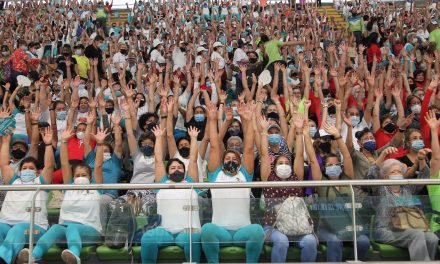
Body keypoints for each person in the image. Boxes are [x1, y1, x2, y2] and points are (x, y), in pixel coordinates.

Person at [20, 127, 107, 263]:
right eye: (77, 175)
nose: (80, 177)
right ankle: (33, 255)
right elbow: (65, 164)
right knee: (55, 228)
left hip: (90, 231)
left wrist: (100, 144)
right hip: (65, 230)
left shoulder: (95, 188)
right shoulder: (69, 187)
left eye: (83, 175)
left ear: (90, 178)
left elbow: (98, 166)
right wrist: (64, 142)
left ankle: (74, 255)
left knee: (72, 227)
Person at [201, 102, 264, 263]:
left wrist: (248, 121)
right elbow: (214, 147)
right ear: (222, 162)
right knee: (207, 229)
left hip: (243, 230)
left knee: (257, 230)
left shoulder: (245, 174)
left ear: (240, 161)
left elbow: (249, 148)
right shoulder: (216, 175)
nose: (231, 160)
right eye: (227, 158)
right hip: (219, 230)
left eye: (234, 158)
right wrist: (213, 119)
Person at [259, 114, 319, 262]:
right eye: (280, 163)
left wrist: (299, 132)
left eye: (287, 163)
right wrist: (264, 131)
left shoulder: (296, 178)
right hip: (274, 227)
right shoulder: (268, 178)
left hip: (299, 226)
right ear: (275, 166)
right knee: (282, 241)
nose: (284, 165)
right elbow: (264, 153)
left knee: (310, 241)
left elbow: (298, 155)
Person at [141, 125, 201, 263]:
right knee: (148, 237)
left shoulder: (191, 184)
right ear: (168, 173)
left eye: (180, 168)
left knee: (193, 238)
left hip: (188, 231)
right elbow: (158, 161)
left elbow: (193, 160)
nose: (176, 170)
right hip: (164, 231)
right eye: (173, 168)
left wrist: (193, 138)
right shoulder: (162, 184)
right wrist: (158, 138)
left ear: (185, 172)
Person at [0, 127, 54, 264]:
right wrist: (5, 142)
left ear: (37, 172)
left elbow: (49, 166)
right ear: (19, 170)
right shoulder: (13, 181)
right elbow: (3, 164)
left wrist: (48, 145)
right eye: (24, 168)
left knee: (18, 229)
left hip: (34, 227)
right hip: (6, 223)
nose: (27, 170)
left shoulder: (41, 182)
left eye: (31, 168)